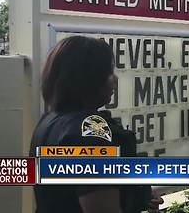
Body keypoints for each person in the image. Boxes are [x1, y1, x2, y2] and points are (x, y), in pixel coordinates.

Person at [29, 36, 163, 213]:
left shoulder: (49, 121)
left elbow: (65, 195)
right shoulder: (90, 130)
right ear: (89, 78)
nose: (115, 79)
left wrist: (135, 195)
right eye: (108, 72)